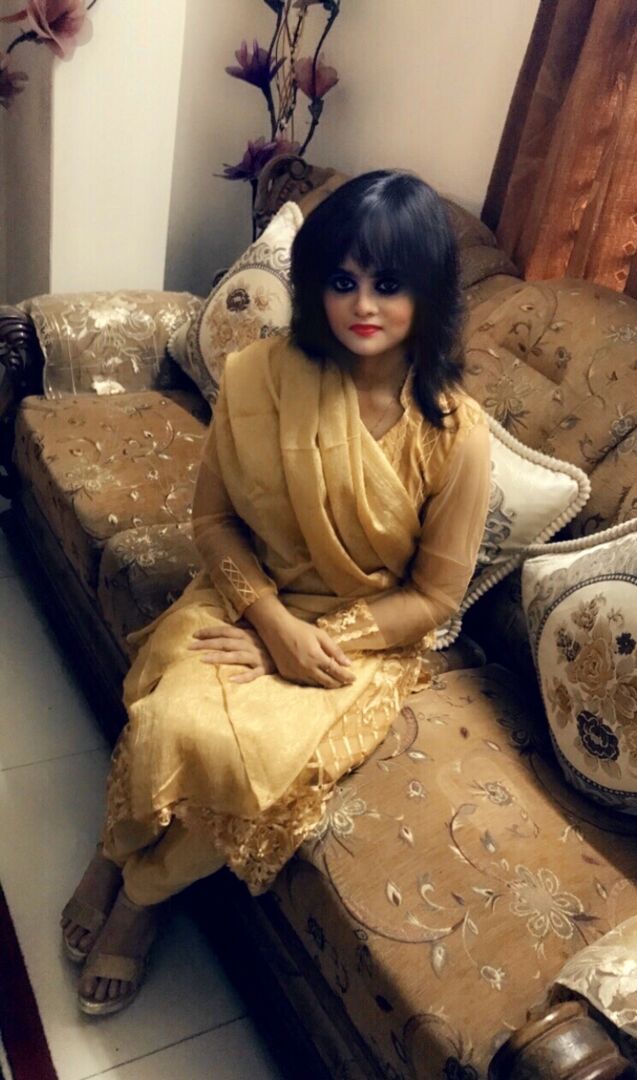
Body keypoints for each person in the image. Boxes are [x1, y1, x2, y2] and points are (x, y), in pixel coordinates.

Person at [60, 170, 491, 1015]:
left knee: (252, 760)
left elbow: (435, 597)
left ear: (429, 292)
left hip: (358, 635)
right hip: (246, 592)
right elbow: (213, 521)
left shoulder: (454, 434)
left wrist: (311, 642)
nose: (362, 304)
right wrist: (268, 621)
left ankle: (141, 895)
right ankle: (112, 849)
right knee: (170, 714)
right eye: (342, 280)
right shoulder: (259, 376)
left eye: (389, 283)